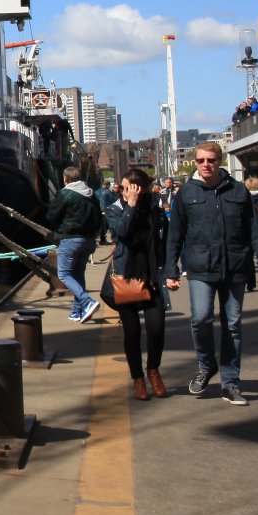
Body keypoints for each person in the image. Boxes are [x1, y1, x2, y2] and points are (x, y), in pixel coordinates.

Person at [166, 140, 258, 405]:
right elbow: (175, 234)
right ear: (195, 162)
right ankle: (206, 365)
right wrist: (171, 270)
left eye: (211, 160)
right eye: (201, 160)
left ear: (220, 161)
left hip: (235, 266)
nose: (206, 165)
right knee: (200, 318)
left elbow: (255, 231)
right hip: (200, 266)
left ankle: (230, 383)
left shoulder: (237, 190)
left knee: (232, 325)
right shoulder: (186, 193)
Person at [103, 170, 171, 399]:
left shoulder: (153, 207)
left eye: (131, 188)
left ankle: (153, 370)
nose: (126, 192)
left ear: (141, 189)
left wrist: (171, 270)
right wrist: (130, 205)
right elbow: (121, 231)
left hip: (151, 274)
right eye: (124, 188)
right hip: (126, 276)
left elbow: (165, 239)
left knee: (157, 328)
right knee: (132, 331)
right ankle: (138, 378)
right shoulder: (114, 209)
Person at [45, 165, 104, 323]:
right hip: (88, 240)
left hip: (70, 239)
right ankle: (76, 312)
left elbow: (51, 216)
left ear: (65, 179)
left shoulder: (65, 194)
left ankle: (87, 301)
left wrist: (59, 227)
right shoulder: (91, 195)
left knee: (63, 274)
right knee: (78, 275)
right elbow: (99, 217)